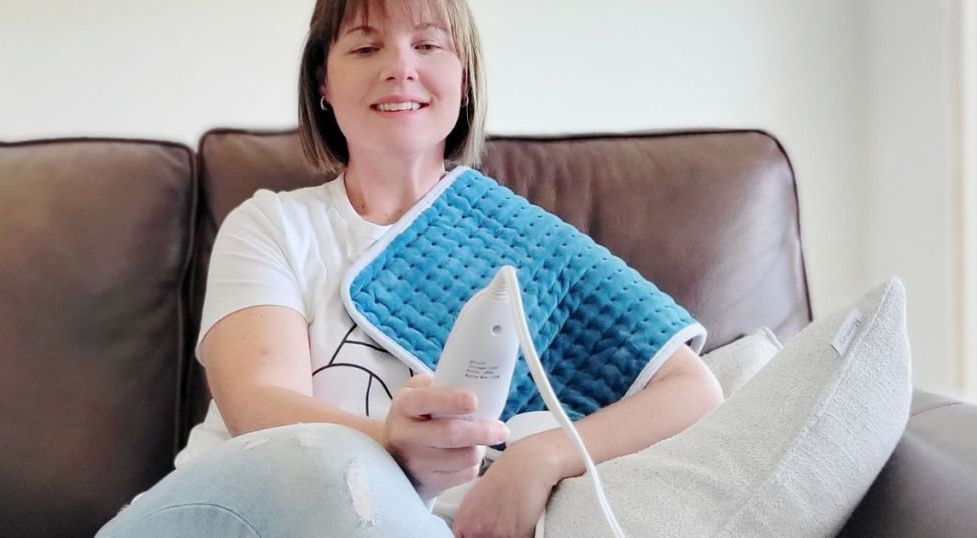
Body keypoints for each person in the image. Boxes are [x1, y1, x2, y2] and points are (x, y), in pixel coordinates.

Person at [96, 0, 724, 536]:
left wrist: (540, 459)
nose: (401, 68)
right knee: (328, 460)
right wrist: (390, 439)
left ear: (464, 77)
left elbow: (693, 389)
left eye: (428, 44)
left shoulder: (533, 249)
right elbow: (260, 407)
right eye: (366, 48)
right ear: (323, 81)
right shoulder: (270, 225)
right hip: (229, 511)